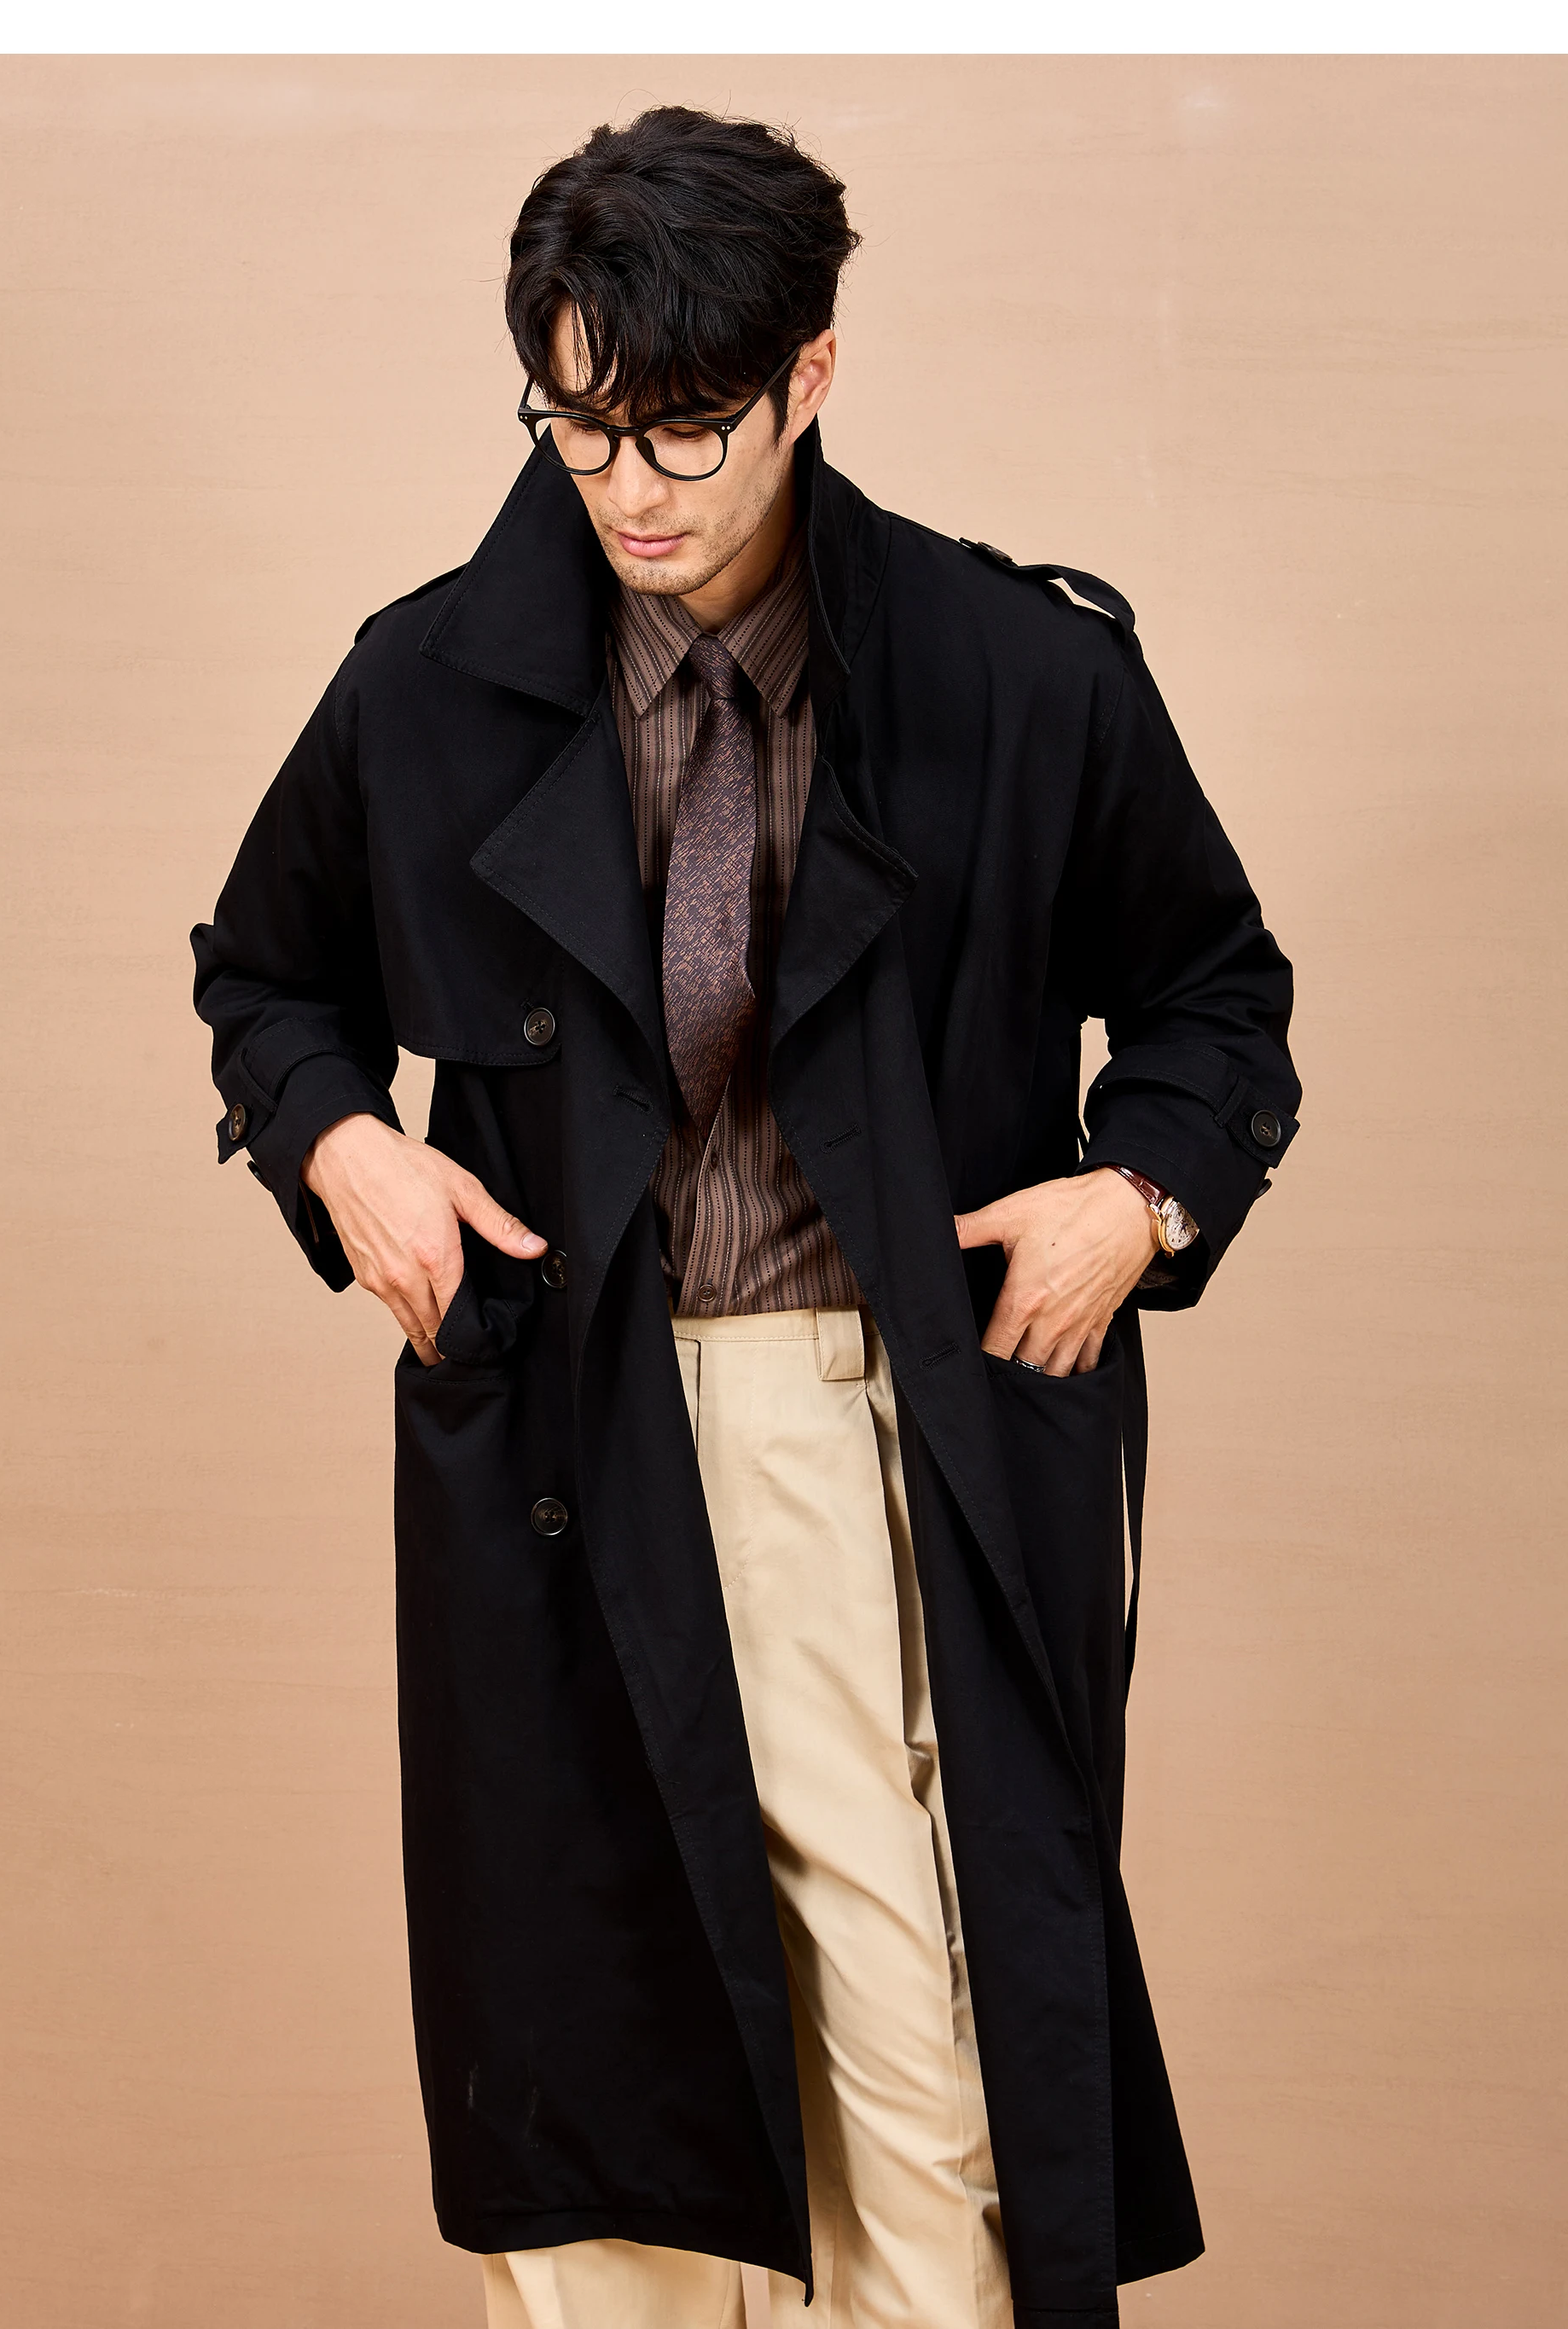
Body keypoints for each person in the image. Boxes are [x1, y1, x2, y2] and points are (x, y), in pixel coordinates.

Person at [192, 104, 1298, 2329]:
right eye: (579, 424)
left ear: (810, 375)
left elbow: (1216, 998)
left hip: (898, 1437)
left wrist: (1138, 1199)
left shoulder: (1014, 674)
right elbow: (267, 978)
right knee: (601, 2124)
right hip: (567, 1442)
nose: (631, 490)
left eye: (686, 431)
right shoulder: (428, 682)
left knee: (933, 2112)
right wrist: (345, 1150)